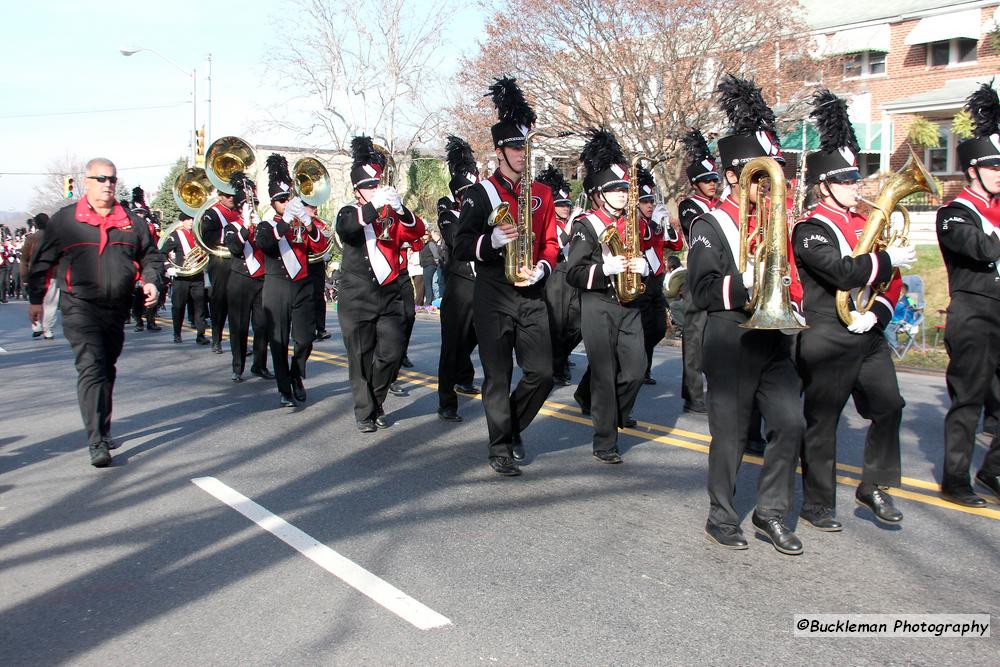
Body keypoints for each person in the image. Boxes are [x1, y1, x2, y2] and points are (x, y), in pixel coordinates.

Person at [687, 75, 805, 555]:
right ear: (735, 177)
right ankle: (721, 514)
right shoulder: (710, 224)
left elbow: (792, 275)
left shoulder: (774, 221)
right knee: (731, 434)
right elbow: (700, 290)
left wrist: (791, 301)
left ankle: (772, 513)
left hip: (770, 336)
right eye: (759, 175)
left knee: (791, 422)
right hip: (729, 337)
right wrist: (747, 286)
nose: (768, 185)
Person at [793, 89, 914, 531]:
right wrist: (883, 260)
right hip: (826, 332)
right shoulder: (809, 229)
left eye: (856, 180)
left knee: (890, 405)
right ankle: (817, 504)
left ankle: (875, 484)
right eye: (844, 182)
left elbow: (891, 283)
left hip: (867, 333)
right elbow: (841, 272)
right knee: (822, 422)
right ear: (823, 186)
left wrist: (878, 313)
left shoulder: (868, 223)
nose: (854, 188)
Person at [27, 157, 163, 467]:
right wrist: (36, 300)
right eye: (100, 179)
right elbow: (42, 262)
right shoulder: (66, 220)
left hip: (116, 308)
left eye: (112, 179)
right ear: (86, 182)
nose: (107, 184)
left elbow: (151, 257)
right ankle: (97, 442)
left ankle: (103, 426)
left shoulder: (131, 221)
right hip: (79, 306)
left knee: (107, 367)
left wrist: (152, 281)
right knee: (92, 366)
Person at [453, 76, 558, 476]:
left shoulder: (543, 194)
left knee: (543, 373)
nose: (522, 153)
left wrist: (543, 268)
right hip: (493, 291)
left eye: (526, 146)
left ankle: (510, 425)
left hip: (530, 290)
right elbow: (461, 246)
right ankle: (500, 445)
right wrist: (491, 240)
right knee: (497, 375)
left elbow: (550, 242)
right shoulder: (481, 194)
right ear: (499, 151)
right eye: (516, 147)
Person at [564, 128, 649, 464]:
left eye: (623, 189)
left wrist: (644, 268)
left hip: (629, 304)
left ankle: (610, 414)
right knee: (603, 373)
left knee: (636, 370)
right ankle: (605, 441)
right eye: (613, 190)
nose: (620, 195)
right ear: (599, 194)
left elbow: (648, 263)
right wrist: (605, 270)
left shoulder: (634, 225)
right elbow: (573, 273)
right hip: (598, 304)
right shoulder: (586, 226)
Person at [936, 83, 1000, 507]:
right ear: (974, 171)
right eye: (995, 169)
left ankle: (993, 471)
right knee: (969, 399)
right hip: (974, 313)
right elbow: (978, 248)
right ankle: (955, 478)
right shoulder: (954, 212)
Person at [336, 136, 425, 431]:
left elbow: (416, 234)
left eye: (378, 185)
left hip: (388, 294)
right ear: (357, 191)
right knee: (361, 357)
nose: (376, 190)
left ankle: (375, 400)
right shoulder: (350, 212)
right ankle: (365, 412)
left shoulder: (390, 214)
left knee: (391, 352)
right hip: (358, 296)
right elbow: (348, 229)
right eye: (369, 186)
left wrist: (401, 211)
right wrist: (373, 205)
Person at [255, 156, 329, 407]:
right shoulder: (266, 224)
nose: (287, 204)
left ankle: (297, 374)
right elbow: (265, 244)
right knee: (278, 340)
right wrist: (285, 221)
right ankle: (284, 388)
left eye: (290, 199)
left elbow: (320, 245)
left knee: (305, 338)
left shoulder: (303, 220)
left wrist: (308, 223)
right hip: (276, 285)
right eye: (282, 201)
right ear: (273, 203)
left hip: (302, 284)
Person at [437, 136, 481, 422]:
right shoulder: (448, 210)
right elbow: (455, 239)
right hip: (460, 283)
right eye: (467, 193)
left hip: (485, 283)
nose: (471, 198)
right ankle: (446, 401)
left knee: (478, 336)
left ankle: (464, 374)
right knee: (452, 343)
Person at [677, 129, 720, 414]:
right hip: (698, 274)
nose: (712, 184)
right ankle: (693, 394)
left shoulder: (719, 205)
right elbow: (698, 235)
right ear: (695, 184)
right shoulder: (690, 206)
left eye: (714, 179)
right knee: (695, 335)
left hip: (721, 275)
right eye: (705, 180)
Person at [635, 167, 683, 385]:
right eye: (645, 202)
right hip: (640, 281)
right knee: (644, 327)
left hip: (656, 282)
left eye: (651, 201)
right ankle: (641, 369)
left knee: (658, 328)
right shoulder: (635, 223)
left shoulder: (656, 224)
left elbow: (676, 244)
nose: (649, 205)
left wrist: (668, 226)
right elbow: (642, 242)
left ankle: (642, 364)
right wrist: (654, 224)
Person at [222, 171, 271, 383]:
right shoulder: (231, 227)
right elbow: (234, 247)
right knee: (239, 326)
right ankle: (237, 367)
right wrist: (244, 225)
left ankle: (259, 365)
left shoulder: (261, 225)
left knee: (262, 326)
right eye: (250, 205)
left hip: (261, 280)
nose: (253, 208)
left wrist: (261, 226)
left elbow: (270, 247)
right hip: (240, 280)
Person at [537, 164, 581, 388]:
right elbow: (557, 243)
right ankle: (557, 367)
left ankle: (561, 356)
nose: (565, 208)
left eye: (568, 205)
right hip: (555, 275)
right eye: (561, 205)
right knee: (557, 324)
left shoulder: (572, 221)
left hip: (573, 275)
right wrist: (571, 224)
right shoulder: (550, 222)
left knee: (578, 325)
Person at [160, 212, 210, 345]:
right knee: (178, 306)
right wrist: (168, 266)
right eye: (187, 219)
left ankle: (201, 334)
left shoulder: (198, 235)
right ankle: (177, 333)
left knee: (200, 306)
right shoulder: (176, 235)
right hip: (182, 276)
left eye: (192, 219)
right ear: (182, 221)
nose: (191, 222)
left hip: (197, 275)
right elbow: (162, 253)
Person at [200, 184, 238, 354]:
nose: (231, 198)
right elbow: (207, 237)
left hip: (238, 260)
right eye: (227, 195)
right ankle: (216, 339)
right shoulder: (212, 213)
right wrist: (229, 235)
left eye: (233, 195)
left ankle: (238, 343)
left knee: (238, 304)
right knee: (219, 301)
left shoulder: (239, 212)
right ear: (220, 196)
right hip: (220, 262)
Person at [20, 213, 59, 339]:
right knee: (50, 303)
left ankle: (37, 326)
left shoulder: (31, 238)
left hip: (35, 273)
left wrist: (24, 277)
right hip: (52, 273)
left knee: (36, 301)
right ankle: (48, 329)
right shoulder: (56, 237)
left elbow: (24, 259)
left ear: (35, 224)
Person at [129, 187, 162, 332]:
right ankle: (138, 321)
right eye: (138, 213)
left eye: (142, 213)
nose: (140, 215)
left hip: (149, 262)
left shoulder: (150, 227)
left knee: (153, 291)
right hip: (136, 264)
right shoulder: (129, 227)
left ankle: (151, 320)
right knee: (137, 296)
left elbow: (154, 245)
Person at [305, 201, 333, 341]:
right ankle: (305, 328)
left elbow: (328, 239)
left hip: (317, 263)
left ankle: (320, 328)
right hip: (302, 262)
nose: (315, 209)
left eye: (315, 206)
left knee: (318, 295)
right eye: (311, 206)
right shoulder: (295, 221)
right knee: (304, 298)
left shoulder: (320, 223)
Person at [663, 255, 686, 333]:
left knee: (657, 300)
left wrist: (661, 292)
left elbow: (672, 293)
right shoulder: (674, 273)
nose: (665, 264)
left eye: (666, 262)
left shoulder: (678, 275)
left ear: (671, 265)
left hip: (679, 299)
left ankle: (682, 328)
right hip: (679, 298)